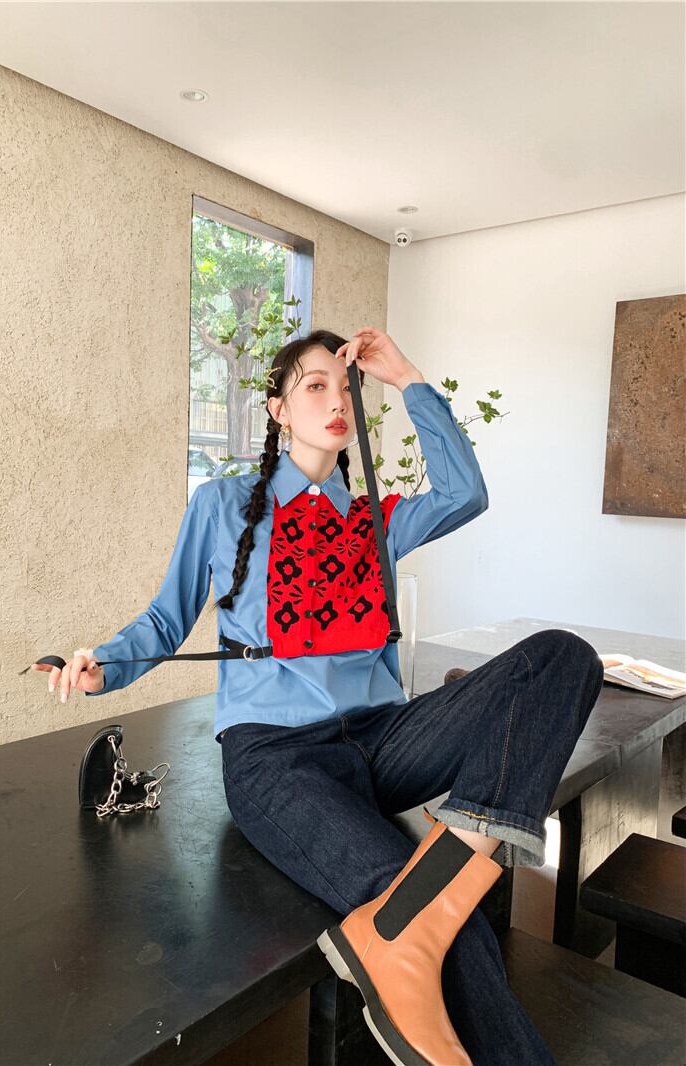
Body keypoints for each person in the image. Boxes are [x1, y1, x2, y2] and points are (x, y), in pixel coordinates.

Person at [33, 327, 604, 1066]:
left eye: (347, 389)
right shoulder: (222, 505)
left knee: (563, 659)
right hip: (277, 759)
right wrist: (101, 666)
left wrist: (404, 375)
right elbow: (165, 621)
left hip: (383, 742)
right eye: (315, 386)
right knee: (439, 918)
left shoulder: (374, 519)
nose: (337, 401)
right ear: (277, 409)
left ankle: (441, 888)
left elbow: (465, 493)